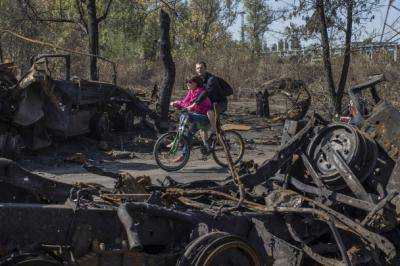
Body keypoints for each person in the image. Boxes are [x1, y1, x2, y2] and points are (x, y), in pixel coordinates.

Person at [170, 76, 212, 162]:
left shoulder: (199, 92)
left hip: (205, 117)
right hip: (197, 117)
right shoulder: (191, 91)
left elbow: (190, 105)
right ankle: (184, 155)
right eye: (186, 82)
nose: (187, 84)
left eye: (190, 82)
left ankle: (177, 140)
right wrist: (177, 103)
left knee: (187, 116)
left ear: (196, 83)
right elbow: (185, 102)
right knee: (188, 135)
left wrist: (178, 103)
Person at [190, 61, 229, 135]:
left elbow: (206, 92)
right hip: (209, 104)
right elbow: (196, 93)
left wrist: (195, 103)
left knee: (210, 113)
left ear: (205, 68)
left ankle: (215, 132)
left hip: (220, 103)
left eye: (201, 68)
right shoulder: (199, 80)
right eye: (197, 68)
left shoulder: (211, 79)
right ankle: (206, 144)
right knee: (197, 123)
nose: (199, 70)